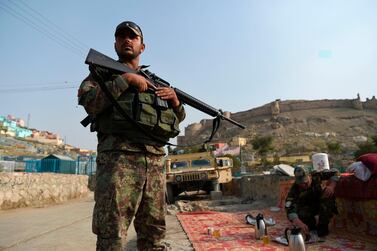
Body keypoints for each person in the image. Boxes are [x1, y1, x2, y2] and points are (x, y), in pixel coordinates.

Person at [78, 21, 185, 250]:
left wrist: (175, 100)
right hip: (119, 163)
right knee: (112, 235)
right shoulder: (103, 73)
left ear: (142, 46)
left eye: (132, 37)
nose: (127, 39)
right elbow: (89, 102)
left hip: (154, 165)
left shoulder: (157, 82)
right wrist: (124, 80)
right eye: (121, 36)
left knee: (154, 234)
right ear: (115, 44)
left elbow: (178, 117)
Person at [285, 166, 339, 238]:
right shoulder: (295, 189)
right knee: (301, 224)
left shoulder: (317, 176)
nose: (303, 185)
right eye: (300, 183)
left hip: (320, 205)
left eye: (305, 182)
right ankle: (311, 225)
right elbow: (289, 208)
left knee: (328, 196)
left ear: (310, 176)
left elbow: (336, 172)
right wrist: (299, 223)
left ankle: (322, 226)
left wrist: (331, 186)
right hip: (307, 210)